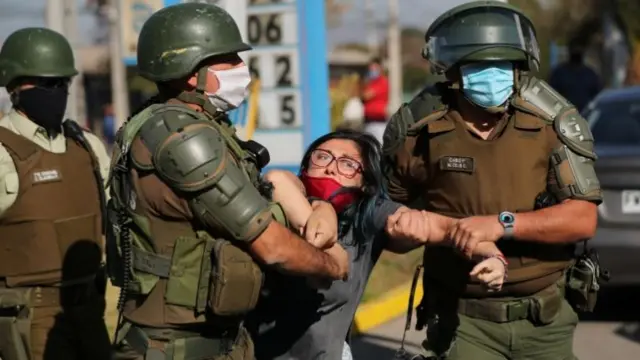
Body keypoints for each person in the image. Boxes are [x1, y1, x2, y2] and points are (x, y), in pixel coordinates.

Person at [106, 3, 348, 360]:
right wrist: (331, 265)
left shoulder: (186, 125)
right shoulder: (184, 138)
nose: (241, 68)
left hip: (211, 340)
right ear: (192, 73)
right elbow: (271, 245)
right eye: (229, 59)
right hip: (176, 346)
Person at [382, 2, 602, 359]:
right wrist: (416, 231)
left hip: (545, 320)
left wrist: (502, 225)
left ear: (519, 67)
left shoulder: (551, 122)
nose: (492, 75)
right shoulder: (417, 130)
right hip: (461, 318)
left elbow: (582, 217)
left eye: (502, 65)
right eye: (480, 66)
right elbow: (390, 216)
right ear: (452, 70)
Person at [248, 130, 509, 360]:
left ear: (365, 182)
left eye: (347, 164)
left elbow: (445, 228)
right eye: (322, 157)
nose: (330, 168)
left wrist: (491, 255)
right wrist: (319, 207)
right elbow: (278, 179)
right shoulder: (277, 203)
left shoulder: (369, 213)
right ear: (305, 167)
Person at [0, 27, 112, 360]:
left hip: (89, 309)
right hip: (29, 317)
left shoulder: (86, 146)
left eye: (63, 83)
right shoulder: (3, 151)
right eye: (47, 84)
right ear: (15, 86)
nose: (58, 92)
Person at [549, 41, 602, 112]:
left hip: (585, 114)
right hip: (563, 113)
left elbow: (597, 97)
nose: (576, 51)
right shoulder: (559, 73)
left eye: (579, 50)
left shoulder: (590, 74)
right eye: (575, 50)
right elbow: (551, 93)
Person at [362, 58, 390, 143]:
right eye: (370, 68)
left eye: (374, 68)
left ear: (380, 68)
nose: (372, 70)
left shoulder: (382, 82)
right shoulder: (370, 83)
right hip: (368, 120)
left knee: (379, 146)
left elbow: (367, 95)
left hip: (378, 121)